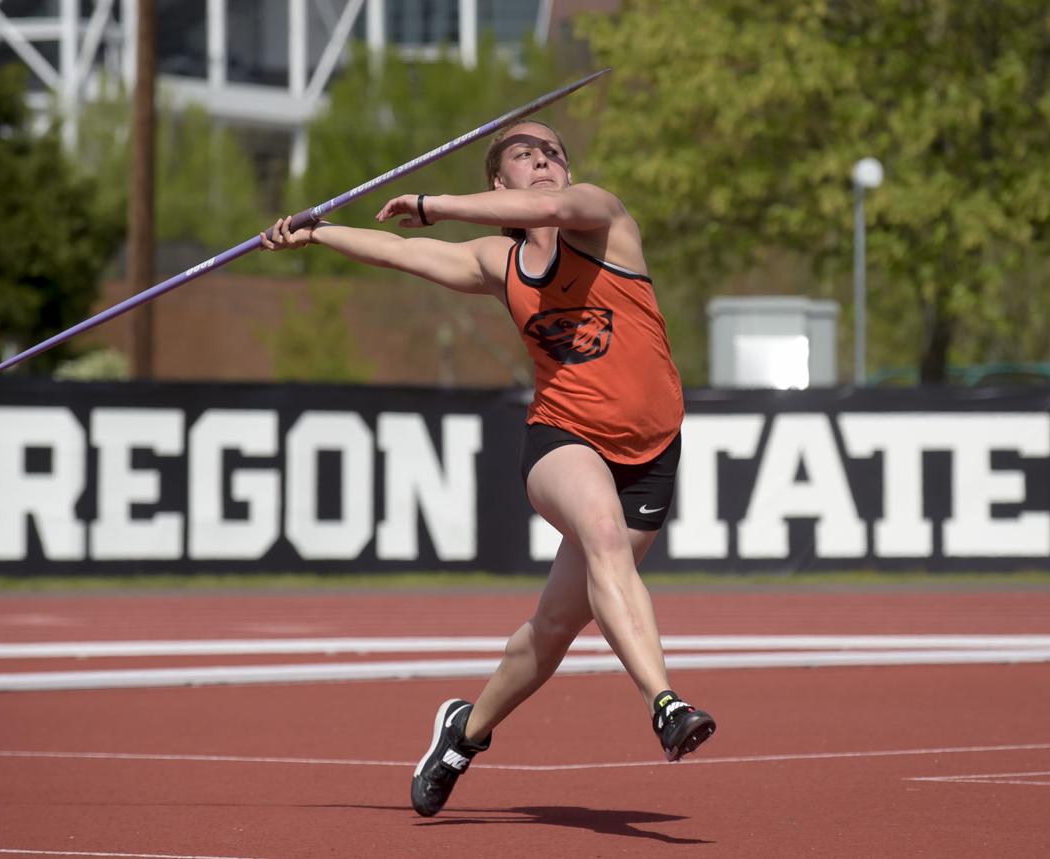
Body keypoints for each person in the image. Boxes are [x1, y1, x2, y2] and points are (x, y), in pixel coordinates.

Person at [260, 119, 716, 817]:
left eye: (553, 152)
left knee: (553, 629)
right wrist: (316, 233)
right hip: (563, 438)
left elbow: (550, 211)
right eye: (524, 155)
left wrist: (433, 203)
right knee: (599, 532)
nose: (544, 161)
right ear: (497, 183)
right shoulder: (496, 264)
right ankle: (666, 703)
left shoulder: (602, 216)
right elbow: (394, 251)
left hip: (653, 451)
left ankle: (462, 734)